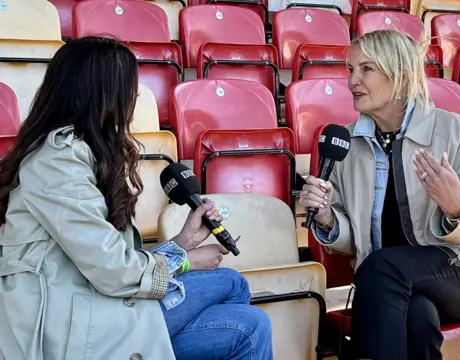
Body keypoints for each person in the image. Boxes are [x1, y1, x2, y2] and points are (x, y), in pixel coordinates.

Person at [0, 37, 272, 360]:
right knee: (233, 287)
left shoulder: (74, 155)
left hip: (95, 305)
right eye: (129, 88)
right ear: (102, 96)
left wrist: (181, 243)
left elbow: (108, 257)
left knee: (250, 324)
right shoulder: (56, 161)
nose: (133, 99)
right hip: (69, 332)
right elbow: (114, 269)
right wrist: (183, 262)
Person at [299, 30, 460, 360]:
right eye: (350, 69)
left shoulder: (452, 130)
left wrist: (457, 208)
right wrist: (326, 218)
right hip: (391, 287)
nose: (353, 81)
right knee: (418, 317)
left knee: (381, 268)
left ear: (402, 76)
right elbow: (354, 244)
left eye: (366, 69)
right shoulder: (346, 143)